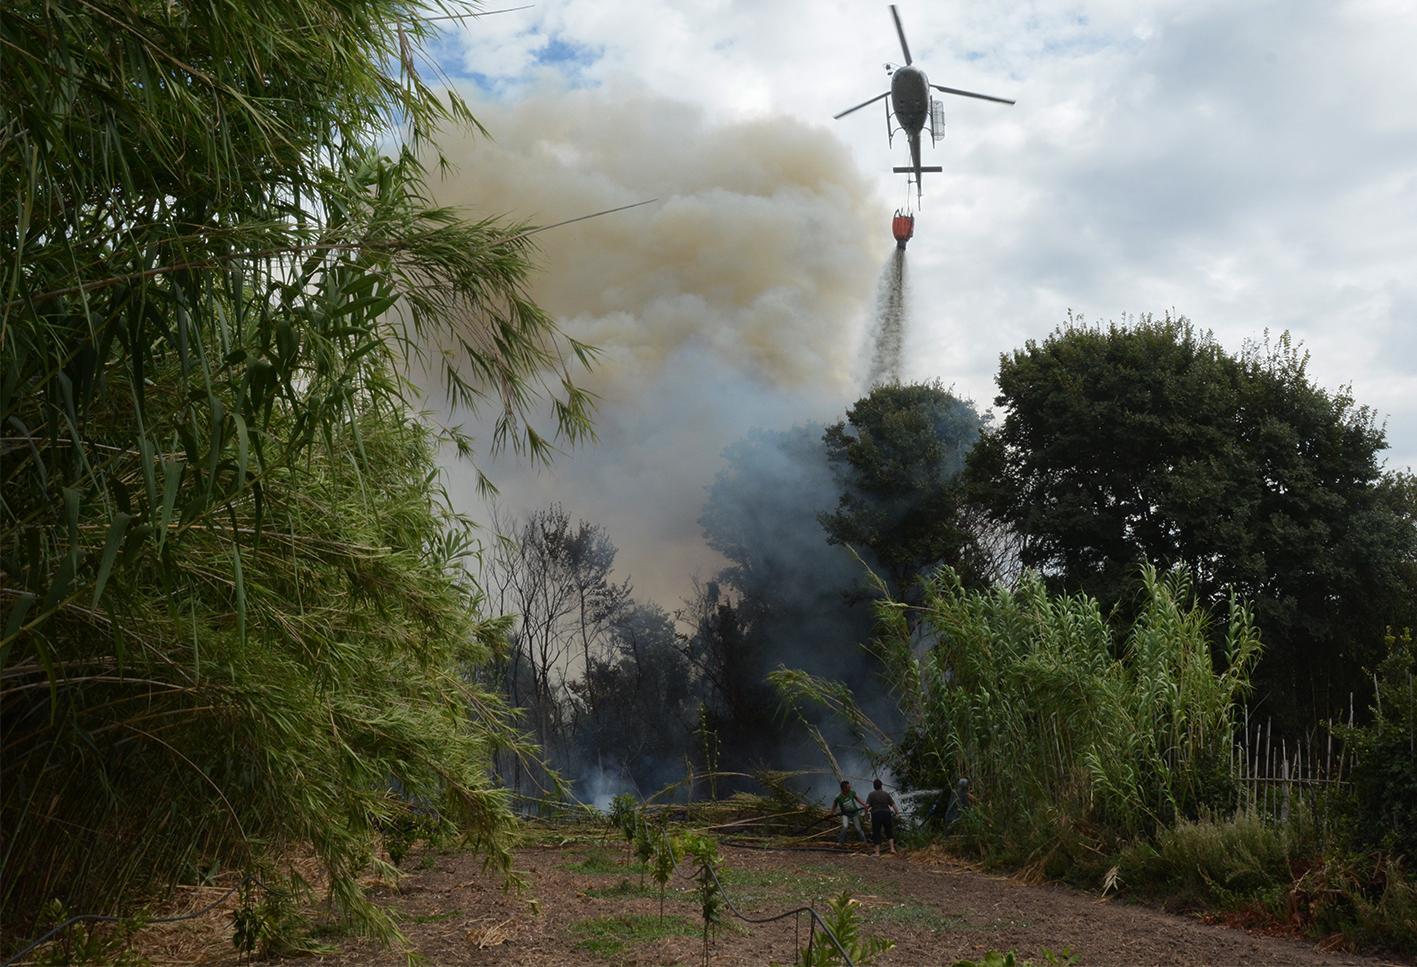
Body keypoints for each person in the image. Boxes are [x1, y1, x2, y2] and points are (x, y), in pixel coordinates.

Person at [866, 778, 898, 856]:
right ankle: (892, 849)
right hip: (886, 814)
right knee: (889, 830)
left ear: (874, 786)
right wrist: (897, 813)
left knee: (876, 832)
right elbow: (893, 805)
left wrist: (866, 814)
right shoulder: (886, 794)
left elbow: (867, 806)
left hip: (876, 814)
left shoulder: (871, 794)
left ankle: (877, 852)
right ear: (881, 786)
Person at [830, 780, 868, 846]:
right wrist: (832, 812)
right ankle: (840, 842)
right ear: (844, 788)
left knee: (858, 828)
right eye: (848, 787)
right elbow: (834, 804)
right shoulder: (838, 796)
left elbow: (857, 799)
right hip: (845, 815)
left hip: (854, 814)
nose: (850, 787)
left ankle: (864, 841)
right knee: (844, 827)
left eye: (849, 786)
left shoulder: (852, 792)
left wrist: (864, 804)